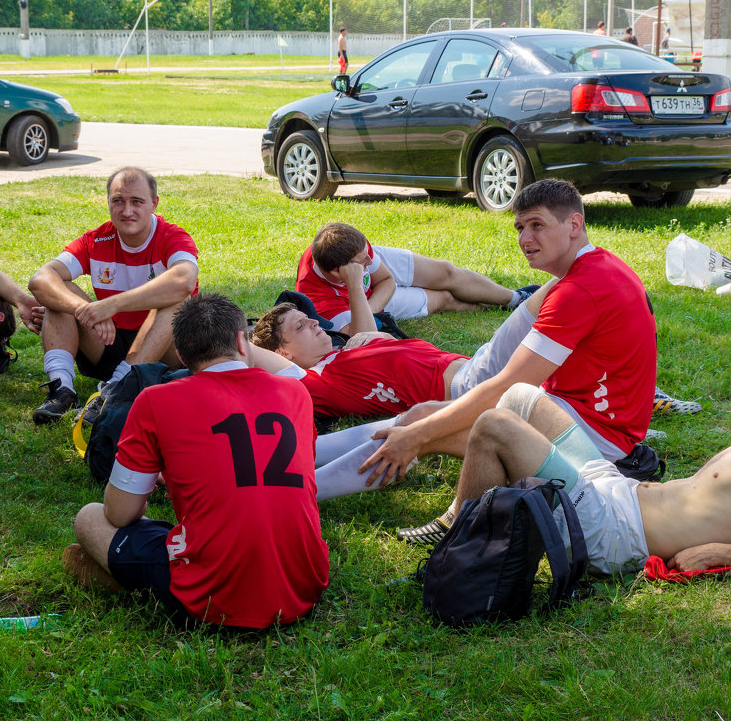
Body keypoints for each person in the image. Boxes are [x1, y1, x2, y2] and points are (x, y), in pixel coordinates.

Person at [346, 179, 657, 526]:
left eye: (537, 225)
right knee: (426, 415)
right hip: (587, 416)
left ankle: (449, 522)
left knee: (443, 425)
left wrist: (417, 436)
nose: (525, 239)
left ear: (574, 225)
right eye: (520, 227)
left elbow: (506, 386)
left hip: (599, 437)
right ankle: (310, 466)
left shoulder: (579, 290)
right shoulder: (597, 266)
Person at [405, 335, 731, 577]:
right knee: (522, 396)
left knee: (494, 427)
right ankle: (463, 525)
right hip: (617, 491)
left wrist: (719, 552)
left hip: (614, 533)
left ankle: (455, 557)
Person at [61, 294, 329, 628]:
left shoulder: (156, 400)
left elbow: (119, 513)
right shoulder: (296, 394)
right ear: (241, 343)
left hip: (218, 597)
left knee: (89, 518)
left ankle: (124, 580)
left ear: (181, 355)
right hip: (305, 583)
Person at [28, 167, 198, 424]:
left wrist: (111, 305)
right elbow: (40, 279)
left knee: (178, 300)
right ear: (108, 202)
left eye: (136, 202)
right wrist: (85, 310)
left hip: (164, 352)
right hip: (108, 342)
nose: (126, 211)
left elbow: (184, 280)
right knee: (59, 294)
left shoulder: (172, 236)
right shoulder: (97, 239)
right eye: (118, 201)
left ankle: (116, 390)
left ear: (154, 204)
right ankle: (62, 390)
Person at [249, 285, 543, 420]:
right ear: (283, 354)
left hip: (475, 367)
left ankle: (584, 263)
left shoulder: (341, 353)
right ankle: (584, 260)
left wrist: (381, 336)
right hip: (470, 386)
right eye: (300, 326)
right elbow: (246, 352)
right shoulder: (316, 383)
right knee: (546, 303)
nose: (313, 321)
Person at [295, 222, 536, 334]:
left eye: (367, 254)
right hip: (361, 305)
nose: (370, 262)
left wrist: (370, 306)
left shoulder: (349, 245)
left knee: (446, 273)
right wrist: (356, 288)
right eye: (362, 262)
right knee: (442, 299)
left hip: (372, 303)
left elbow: (386, 279)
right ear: (339, 272)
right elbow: (363, 336)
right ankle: (492, 304)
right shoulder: (318, 298)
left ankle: (517, 298)